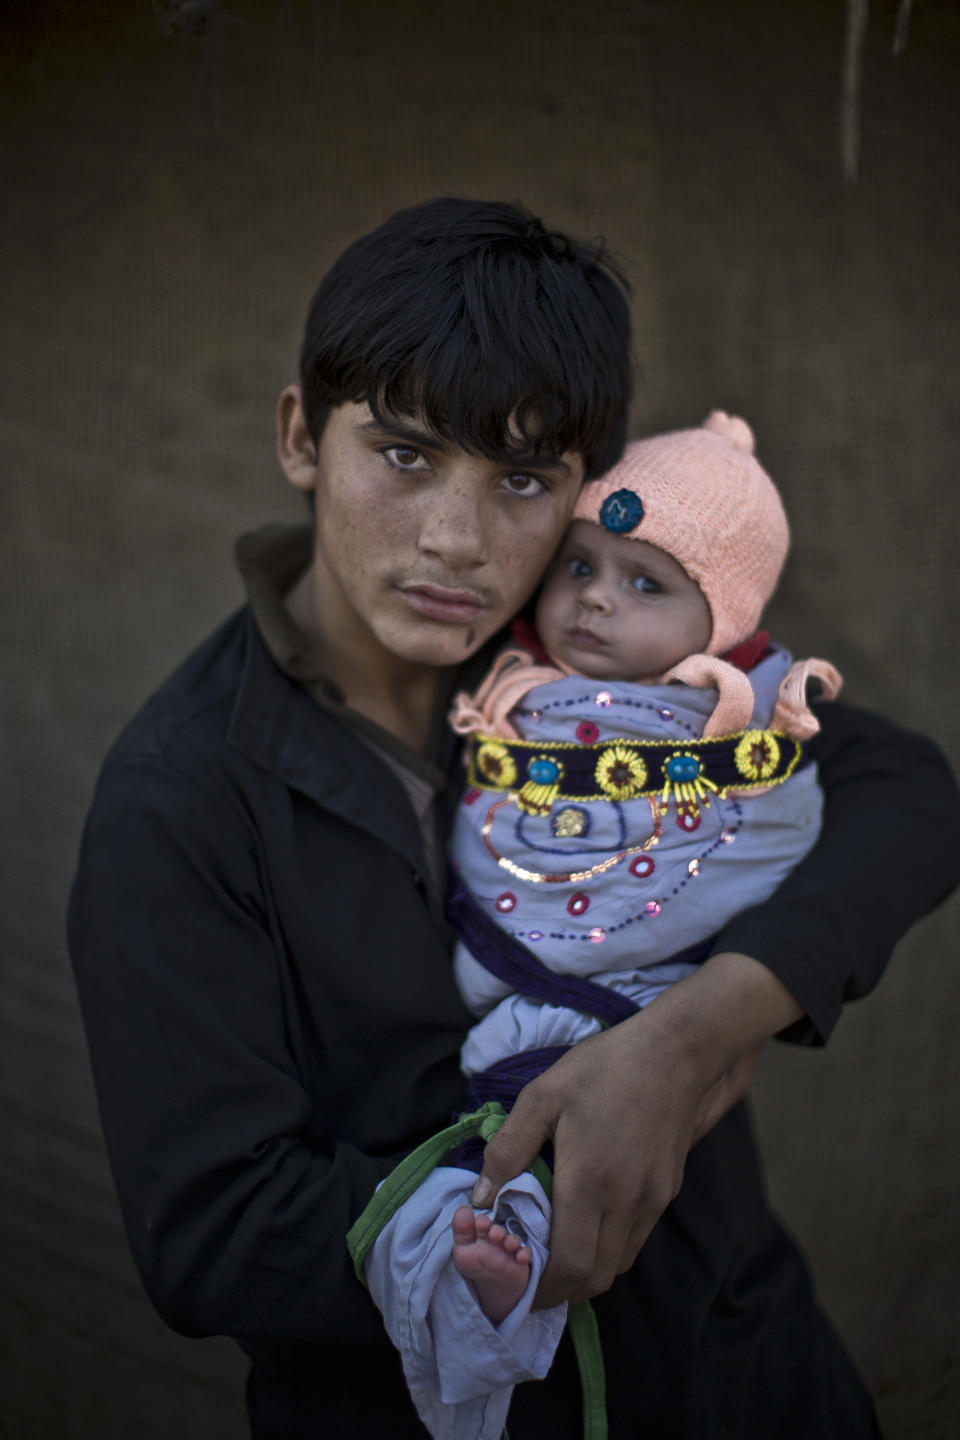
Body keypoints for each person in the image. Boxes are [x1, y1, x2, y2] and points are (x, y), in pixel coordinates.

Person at [67, 198, 960, 1440]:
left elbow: (904, 788)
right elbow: (210, 1235)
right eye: (405, 454)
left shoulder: (605, 671)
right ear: (298, 436)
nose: (457, 541)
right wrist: (522, 1215)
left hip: (748, 1372)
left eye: (524, 481)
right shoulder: (181, 796)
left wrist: (694, 1035)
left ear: (584, 489)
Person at [358, 411, 844, 1440]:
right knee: (493, 1145)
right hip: (504, 967)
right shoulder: (509, 680)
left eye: (645, 584)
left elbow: (783, 832)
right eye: (578, 564)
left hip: (642, 993)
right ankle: (492, 1265)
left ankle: (506, 1254)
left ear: (724, 622)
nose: (592, 602)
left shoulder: (741, 716)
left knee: (557, 1128)